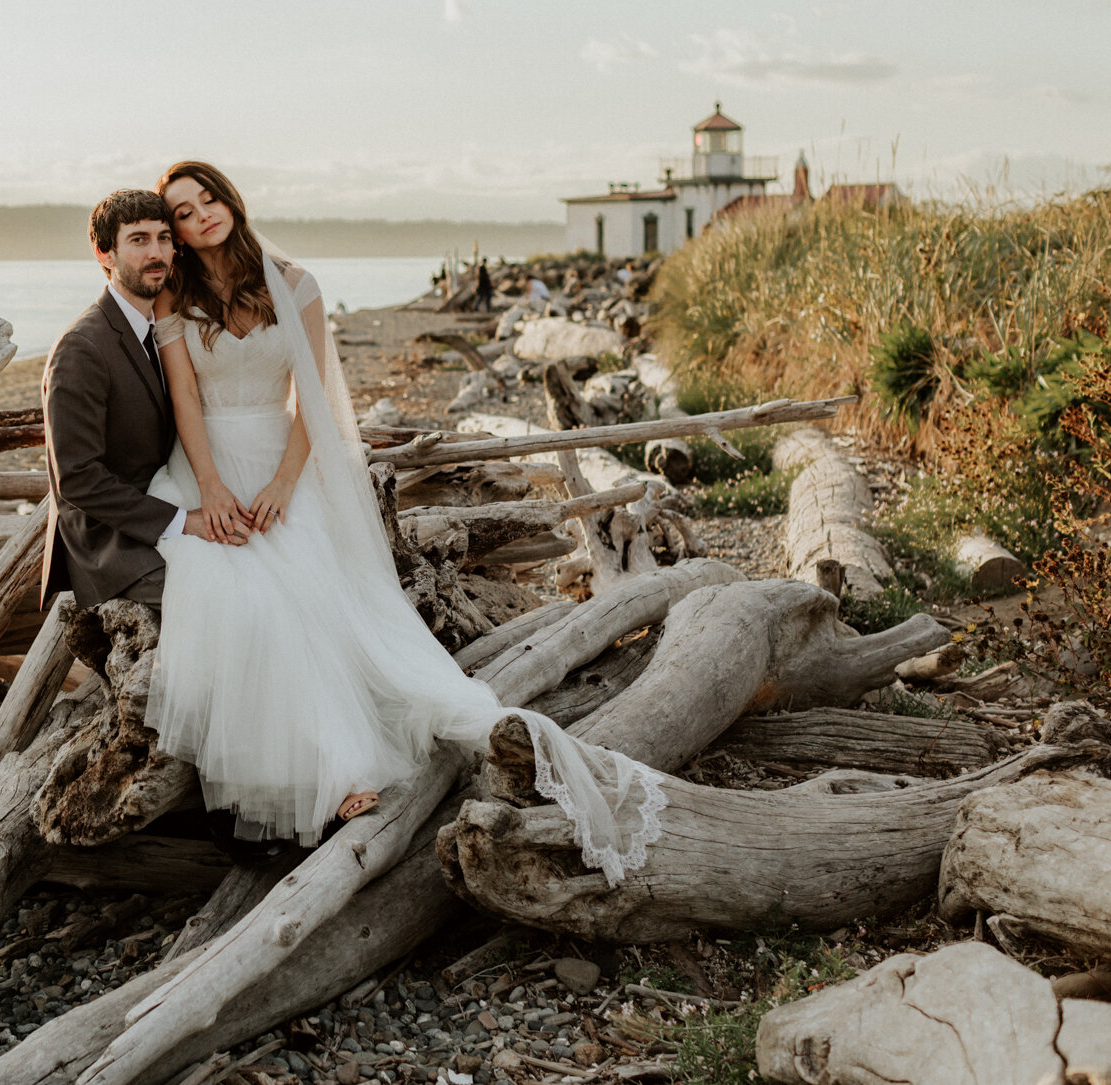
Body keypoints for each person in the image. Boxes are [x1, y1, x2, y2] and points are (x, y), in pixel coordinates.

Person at [137, 160, 665, 869]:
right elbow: (185, 401)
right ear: (171, 229)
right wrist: (209, 489)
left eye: (207, 198)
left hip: (281, 468)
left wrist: (284, 486)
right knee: (245, 600)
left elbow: (312, 402)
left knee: (321, 607)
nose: (200, 214)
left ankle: (344, 767)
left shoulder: (295, 284)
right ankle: (317, 770)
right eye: (181, 210)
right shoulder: (176, 294)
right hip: (205, 467)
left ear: (229, 201)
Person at [40, 189, 243, 615]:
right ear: (104, 253)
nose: (157, 253)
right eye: (138, 240)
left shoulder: (166, 330)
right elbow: (77, 479)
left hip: (167, 499)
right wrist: (183, 522)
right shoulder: (83, 346)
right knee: (230, 597)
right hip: (112, 545)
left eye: (164, 238)